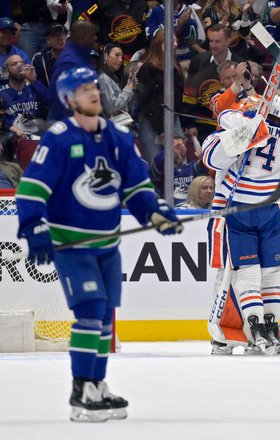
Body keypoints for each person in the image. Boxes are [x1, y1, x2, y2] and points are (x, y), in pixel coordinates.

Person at [14, 66, 182, 422]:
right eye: (83, 89)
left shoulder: (119, 138)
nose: (93, 92)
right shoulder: (59, 138)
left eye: (94, 86)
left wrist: (156, 214)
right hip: (72, 247)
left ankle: (97, 384)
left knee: (104, 318)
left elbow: (137, 190)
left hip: (107, 246)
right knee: (90, 310)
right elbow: (31, 189)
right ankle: (80, 393)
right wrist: (34, 227)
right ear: (69, 100)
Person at [201, 95, 280, 355]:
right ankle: (226, 335)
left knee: (246, 274)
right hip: (237, 214)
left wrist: (249, 127)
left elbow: (224, 117)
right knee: (227, 276)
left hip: (238, 210)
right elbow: (213, 159)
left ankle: (251, 329)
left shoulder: (236, 127)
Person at [134, 31, 186, 164]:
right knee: (156, 161)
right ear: (160, 45)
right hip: (149, 119)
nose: (175, 44)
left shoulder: (176, 69)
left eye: (176, 41)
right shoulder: (147, 69)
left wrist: (178, 129)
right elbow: (146, 101)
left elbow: (179, 99)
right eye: (171, 41)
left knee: (180, 159)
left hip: (172, 116)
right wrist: (160, 129)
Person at [47, 20, 97, 123]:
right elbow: (56, 98)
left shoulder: (82, 56)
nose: (95, 38)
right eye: (92, 35)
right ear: (83, 37)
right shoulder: (69, 62)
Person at [0, 55, 48, 139]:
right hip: (12, 136)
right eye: (14, 64)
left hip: (36, 134)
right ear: (7, 71)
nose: (19, 65)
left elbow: (50, 101)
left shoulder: (34, 87)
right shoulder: (2, 92)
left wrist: (33, 80)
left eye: (22, 63)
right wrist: (10, 128)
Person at [97, 44, 136, 124]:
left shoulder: (111, 76)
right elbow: (112, 106)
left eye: (121, 57)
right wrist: (128, 89)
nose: (120, 60)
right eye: (117, 55)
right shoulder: (103, 78)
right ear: (106, 56)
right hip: (112, 124)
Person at [31, 23, 67, 87]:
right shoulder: (39, 59)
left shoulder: (75, 56)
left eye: (63, 34)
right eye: (55, 35)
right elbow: (38, 85)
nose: (60, 38)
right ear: (48, 40)